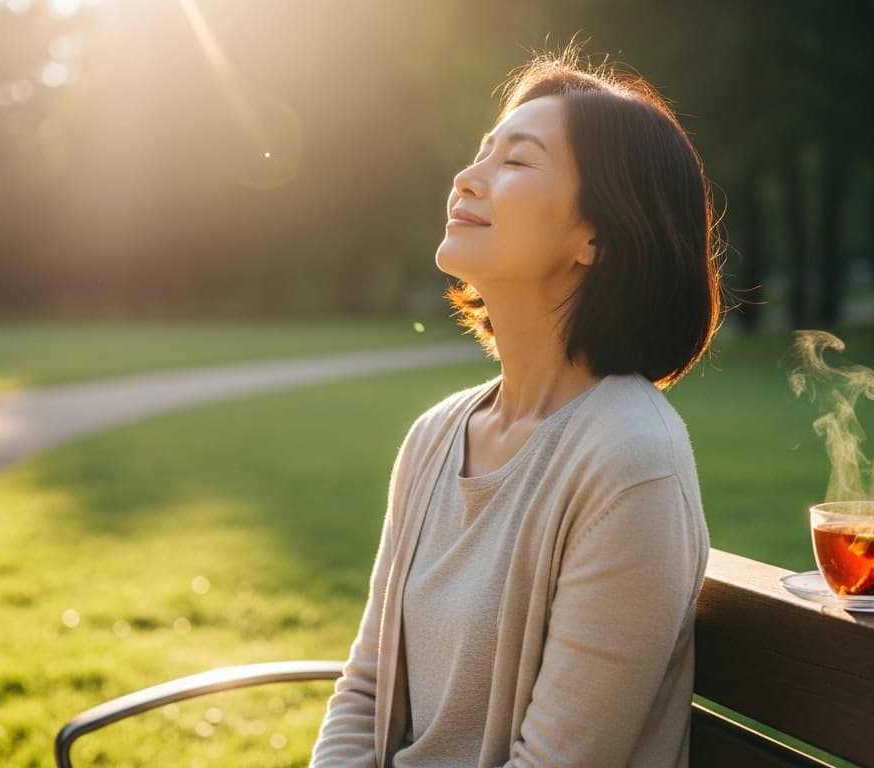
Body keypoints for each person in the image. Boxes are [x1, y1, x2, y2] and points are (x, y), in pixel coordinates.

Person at [310, 41, 723, 767]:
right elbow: (366, 690)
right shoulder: (436, 435)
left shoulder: (631, 463)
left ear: (596, 234)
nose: (466, 178)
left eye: (517, 161)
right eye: (481, 153)